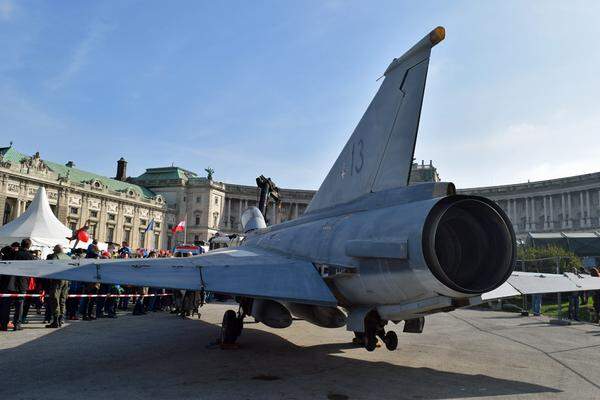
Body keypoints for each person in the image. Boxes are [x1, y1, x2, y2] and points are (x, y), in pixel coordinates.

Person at [0, 239, 34, 331]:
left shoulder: (13, 253)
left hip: (9, 282)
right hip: (22, 283)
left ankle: (3, 324)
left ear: (21, 245)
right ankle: (17, 324)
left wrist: (12, 248)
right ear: (29, 246)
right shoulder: (30, 256)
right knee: (20, 304)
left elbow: (3, 251)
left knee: (6, 305)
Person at [45, 245, 70, 328]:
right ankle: (60, 320)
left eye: (54, 250)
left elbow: (51, 267)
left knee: (55, 299)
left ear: (56, 250)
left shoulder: (55, 256)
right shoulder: (68, 257)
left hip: (57, 280)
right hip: (66, 280)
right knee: (62, 300)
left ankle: (55, 321)